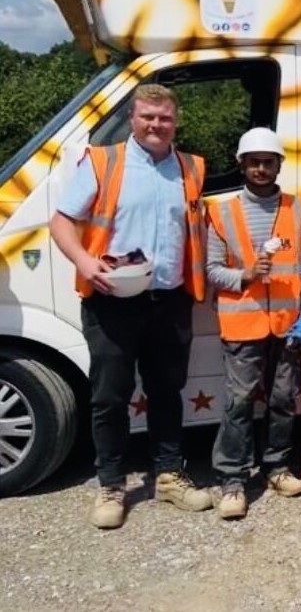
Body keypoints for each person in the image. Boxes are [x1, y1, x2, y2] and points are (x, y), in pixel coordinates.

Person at [49, 83, 212, 529]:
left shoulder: (192, 167)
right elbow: (61, 219)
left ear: (176, 122)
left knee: (166, 393)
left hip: (170, 299)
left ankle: (168, 475)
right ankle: (111, 484)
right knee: (109, 396)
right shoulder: (105, 162)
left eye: (164, 118)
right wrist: (85, 261)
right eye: (147, 117)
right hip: (113, 302)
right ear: (133, 120)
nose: (156, 125)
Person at [206, 127, 301, 520]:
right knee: (238, 403)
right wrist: (246, 276)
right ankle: (233, 479)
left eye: (268, 162)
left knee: (283, 400)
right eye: (254, 162)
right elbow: (211, 271)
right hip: (243, 327)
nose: (261, 169)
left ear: (278, 165)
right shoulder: (221, 212)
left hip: (288, 326)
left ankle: (277, 467)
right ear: (242, 164)